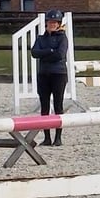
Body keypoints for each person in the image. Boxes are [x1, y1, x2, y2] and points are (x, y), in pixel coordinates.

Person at [30, 9, 69, 146]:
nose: (52, 24)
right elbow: (34, 53)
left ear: (58, 24)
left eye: (54, 22)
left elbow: (60, 55)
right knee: (44, 105)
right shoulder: (41, 38)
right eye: (50, 22)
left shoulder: (63, 38)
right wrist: (49, 51)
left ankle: (58, 137)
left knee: (58, 104)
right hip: (43, 74)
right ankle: (47, 137)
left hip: (58, 74)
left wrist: (44, 54)